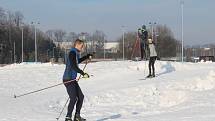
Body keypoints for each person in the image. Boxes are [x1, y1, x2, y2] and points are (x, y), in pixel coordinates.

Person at [63, 39, 93, 121]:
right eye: (82, 46)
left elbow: (77, 62)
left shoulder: (75, 53)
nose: (82, 48)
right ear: (77, 44)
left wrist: (86, 56)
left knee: (81, 97)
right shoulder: (72, 53)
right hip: (68, 79)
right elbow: (73, 66)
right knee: (73, 98)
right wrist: (83, 73)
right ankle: (68, 117)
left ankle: (77, 116)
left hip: (72, 79)